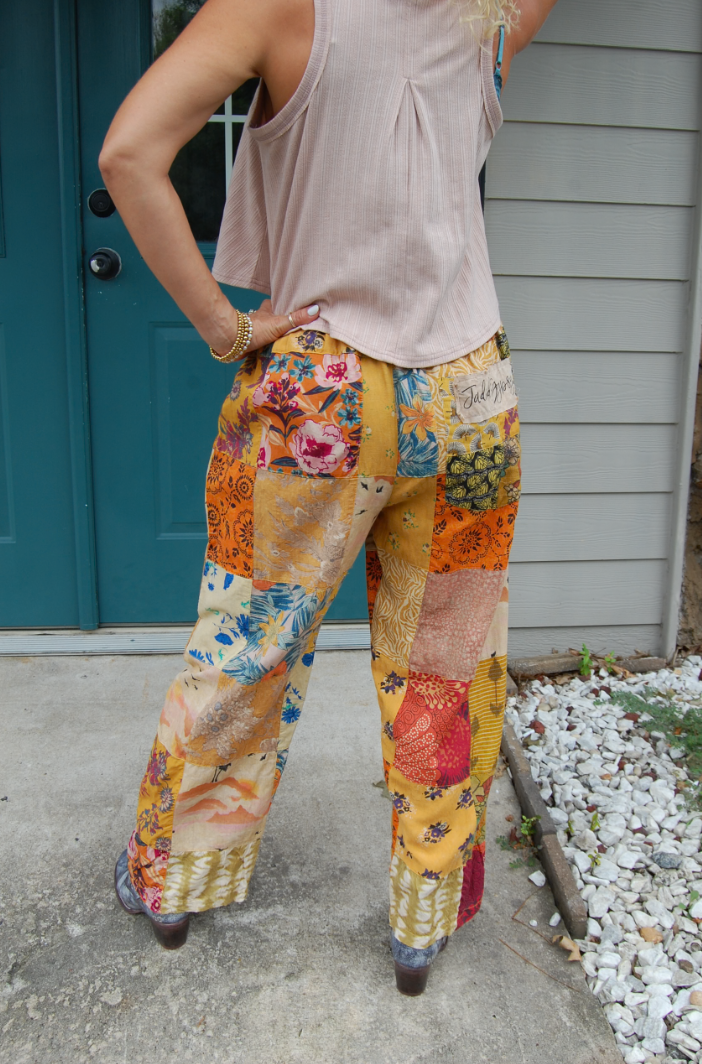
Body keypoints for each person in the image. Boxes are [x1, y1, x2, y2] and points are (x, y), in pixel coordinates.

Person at [101, 0, 559, 995]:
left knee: (247, 642)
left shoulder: (275, 7)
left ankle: (174, 880)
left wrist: (225, 327)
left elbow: (129, 154)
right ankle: (423, 920)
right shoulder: (492, 13)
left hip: (320, 391)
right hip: (472, 396)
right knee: (448, 663)